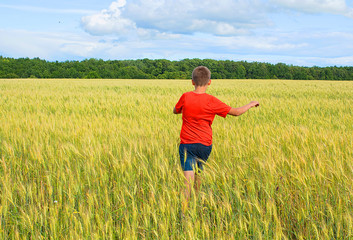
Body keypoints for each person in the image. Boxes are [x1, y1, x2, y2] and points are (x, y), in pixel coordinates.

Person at [173, 66, 259, 212]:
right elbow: (236, 112)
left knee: (188, 180)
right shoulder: (212, 101)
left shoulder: (185, 96)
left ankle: (184, 211)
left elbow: (175, 110)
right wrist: (250, 104)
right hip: (205, 145)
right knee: (199, 173)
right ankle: (197, 202)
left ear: (192, 82)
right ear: (210, 82)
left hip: (187, 144)